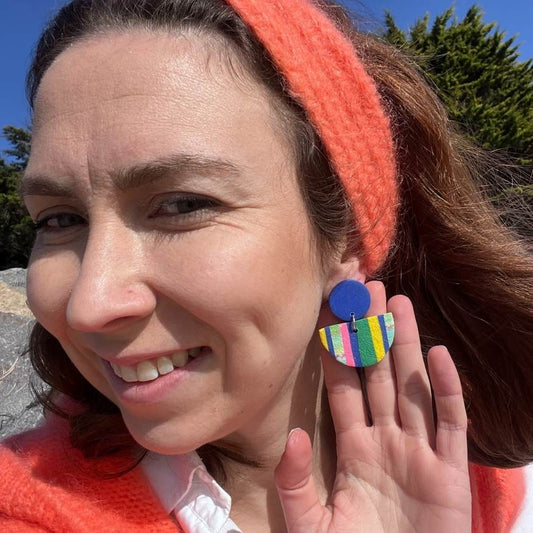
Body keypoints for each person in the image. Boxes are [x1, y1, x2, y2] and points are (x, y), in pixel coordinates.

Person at [1, 0, 532, 531]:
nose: (89, 304)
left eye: (182, 205)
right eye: (60, 219)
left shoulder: (502, 482)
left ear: (346, 236)